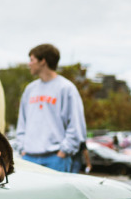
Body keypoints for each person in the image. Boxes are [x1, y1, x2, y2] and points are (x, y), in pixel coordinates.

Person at [15, 43, 90, 174]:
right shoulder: (30, 89)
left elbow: (76, 124)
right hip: (28, 158)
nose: (29, 64)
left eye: (32, 60)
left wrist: (63, 152)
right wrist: (22, 148)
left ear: (43, 61)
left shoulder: (66, 88)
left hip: (55, 159)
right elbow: (22, 122)